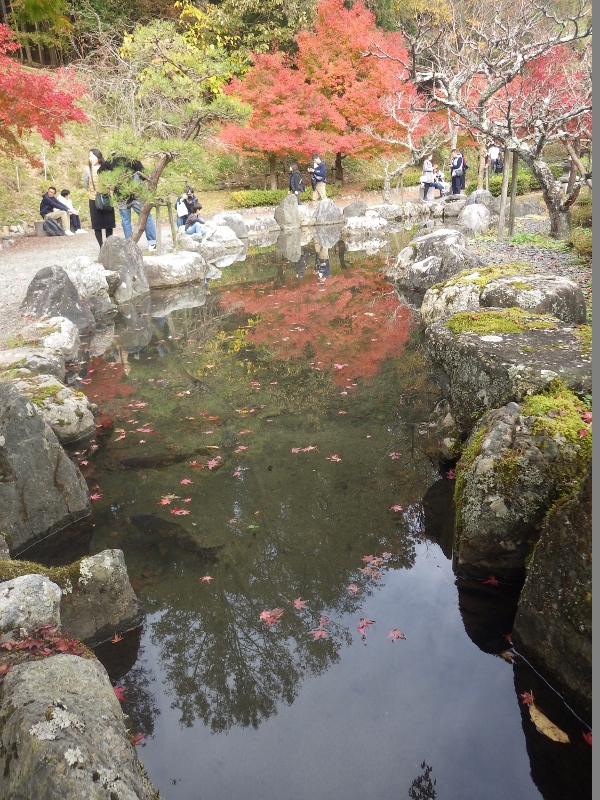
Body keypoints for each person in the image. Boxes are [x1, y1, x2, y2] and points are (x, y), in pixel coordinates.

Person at [98, 153, 157, 251]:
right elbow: (143, 173)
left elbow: (100, 171)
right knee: (146, 216)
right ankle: (152, 243)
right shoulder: (132, 156)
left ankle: (130, 245)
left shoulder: (112, 158)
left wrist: (112, 178)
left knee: (126, 220)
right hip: (137, 192)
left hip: (121, 194)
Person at [83, 149, 115, 247]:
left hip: (107, 198)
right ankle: (101, 246)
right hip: (94, 200)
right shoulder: (87, 169)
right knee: (97, 225)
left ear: (99, 157)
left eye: (93, 156)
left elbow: (112, 183)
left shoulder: (106, 168)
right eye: (89, 156)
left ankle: (108, 245)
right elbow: (86, 185)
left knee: (109, 224)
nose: (91, 158)